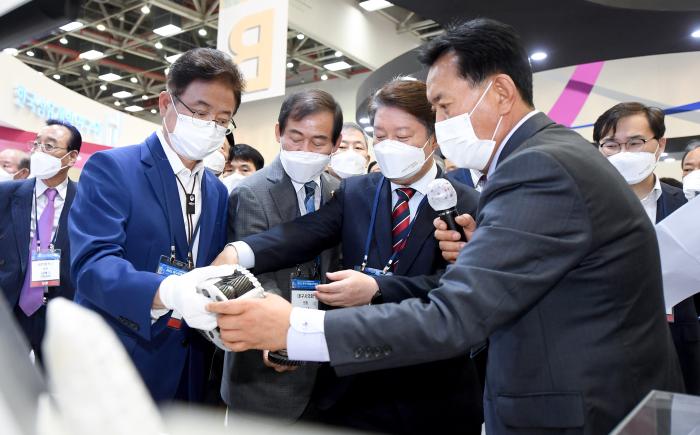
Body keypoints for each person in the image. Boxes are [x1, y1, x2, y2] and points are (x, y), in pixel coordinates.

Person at [207, 18, 683, 435]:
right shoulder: (545, 156)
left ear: (500, 92)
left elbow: (454, 315)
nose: (440, 121)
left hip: (582, 408)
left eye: (444, 105)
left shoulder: (538, 167)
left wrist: (297, 327)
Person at [217, 79, 483, 434]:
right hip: (355, 392)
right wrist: (240, 251)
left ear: (432, 139)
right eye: (381, 136)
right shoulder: (357, 191)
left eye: (403, 136)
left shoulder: (468, 204)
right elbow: (305, 232)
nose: (389, 146)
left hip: (432, 391)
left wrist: (378, 288)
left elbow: (461, 291)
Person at [69, 48, 243, 402]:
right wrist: (171, 291)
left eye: (222, 119)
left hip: (188, 369)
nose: (211, 126)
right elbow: (92, 266)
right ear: (166, 103)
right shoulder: (114, 169)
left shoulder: (216, 191)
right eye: (200, 112)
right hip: (119, 363)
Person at [221, 89, 342, 422]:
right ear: (278, 132)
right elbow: (249, 274)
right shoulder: (251, 192)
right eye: (296, 138)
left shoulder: (339, 193)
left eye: (318, 142)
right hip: (264, 372)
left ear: (335, 143)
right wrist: (283, 331)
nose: (305, 150)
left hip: (324, 371)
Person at [593, 102, 700, 395]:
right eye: (611, 145)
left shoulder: (687, 205)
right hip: (605, 349)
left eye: (635, 142)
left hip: (679, 345)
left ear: (659, 144)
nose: (623, 153)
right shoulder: (581, 208)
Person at [0, 120, 81, 362]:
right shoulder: (6, 194)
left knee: (51, 381)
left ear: (71, 157)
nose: (38, 152)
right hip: (10, 306)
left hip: (59, 312)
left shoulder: (87, 201)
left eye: (49, 146)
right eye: (36, 144)